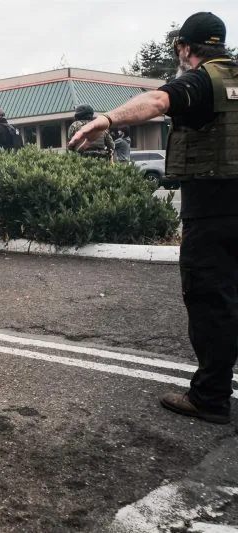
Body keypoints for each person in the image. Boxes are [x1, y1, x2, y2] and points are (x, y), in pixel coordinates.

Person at [69, 11, 237, 425]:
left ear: (185, 48)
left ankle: (210, 398)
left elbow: (158, 100)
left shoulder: (200, 81)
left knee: (210, 301)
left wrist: (106, 119)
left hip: (212, 210)